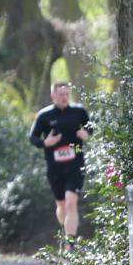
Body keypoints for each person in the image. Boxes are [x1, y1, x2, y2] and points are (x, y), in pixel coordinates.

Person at [27, 82, 93, 253]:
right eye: (61, 94)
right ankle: (66, 232)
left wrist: (86, 133)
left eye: (66, 94)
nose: (64, 97)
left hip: (76, 163)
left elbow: (90, 126)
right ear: (53, 96)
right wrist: (45, 143)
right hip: (55, 167)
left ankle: (70, 244)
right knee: (62, 206)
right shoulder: (44, 116)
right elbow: (32, 137)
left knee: (71, 202)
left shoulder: (79, 111)